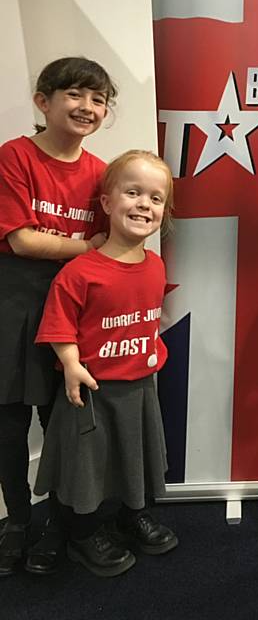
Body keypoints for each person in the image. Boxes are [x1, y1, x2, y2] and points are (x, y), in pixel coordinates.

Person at [32, 150, 178, 577]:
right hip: (93, 391)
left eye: (155, 198)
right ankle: (82, 534)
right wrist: (71, 364)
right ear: (108, 203)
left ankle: (130, 515)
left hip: (139, 386)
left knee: (134, 456)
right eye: (132, 193)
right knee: (87, 467)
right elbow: (60, 325)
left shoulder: (155, 264)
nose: (143, 205)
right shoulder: (80, 271)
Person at [0, 57, 116, 576]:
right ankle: (18, 522)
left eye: (99, 100)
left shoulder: (101, 174)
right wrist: (83, 244)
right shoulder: (14, 156)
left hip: (69, 316)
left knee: (64, 427)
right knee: (7, 427)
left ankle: (59, 525)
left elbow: (108, 249)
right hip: (11, 309)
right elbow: (21, 239)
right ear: (43, 102)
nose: (87, 107)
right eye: (75, 94)